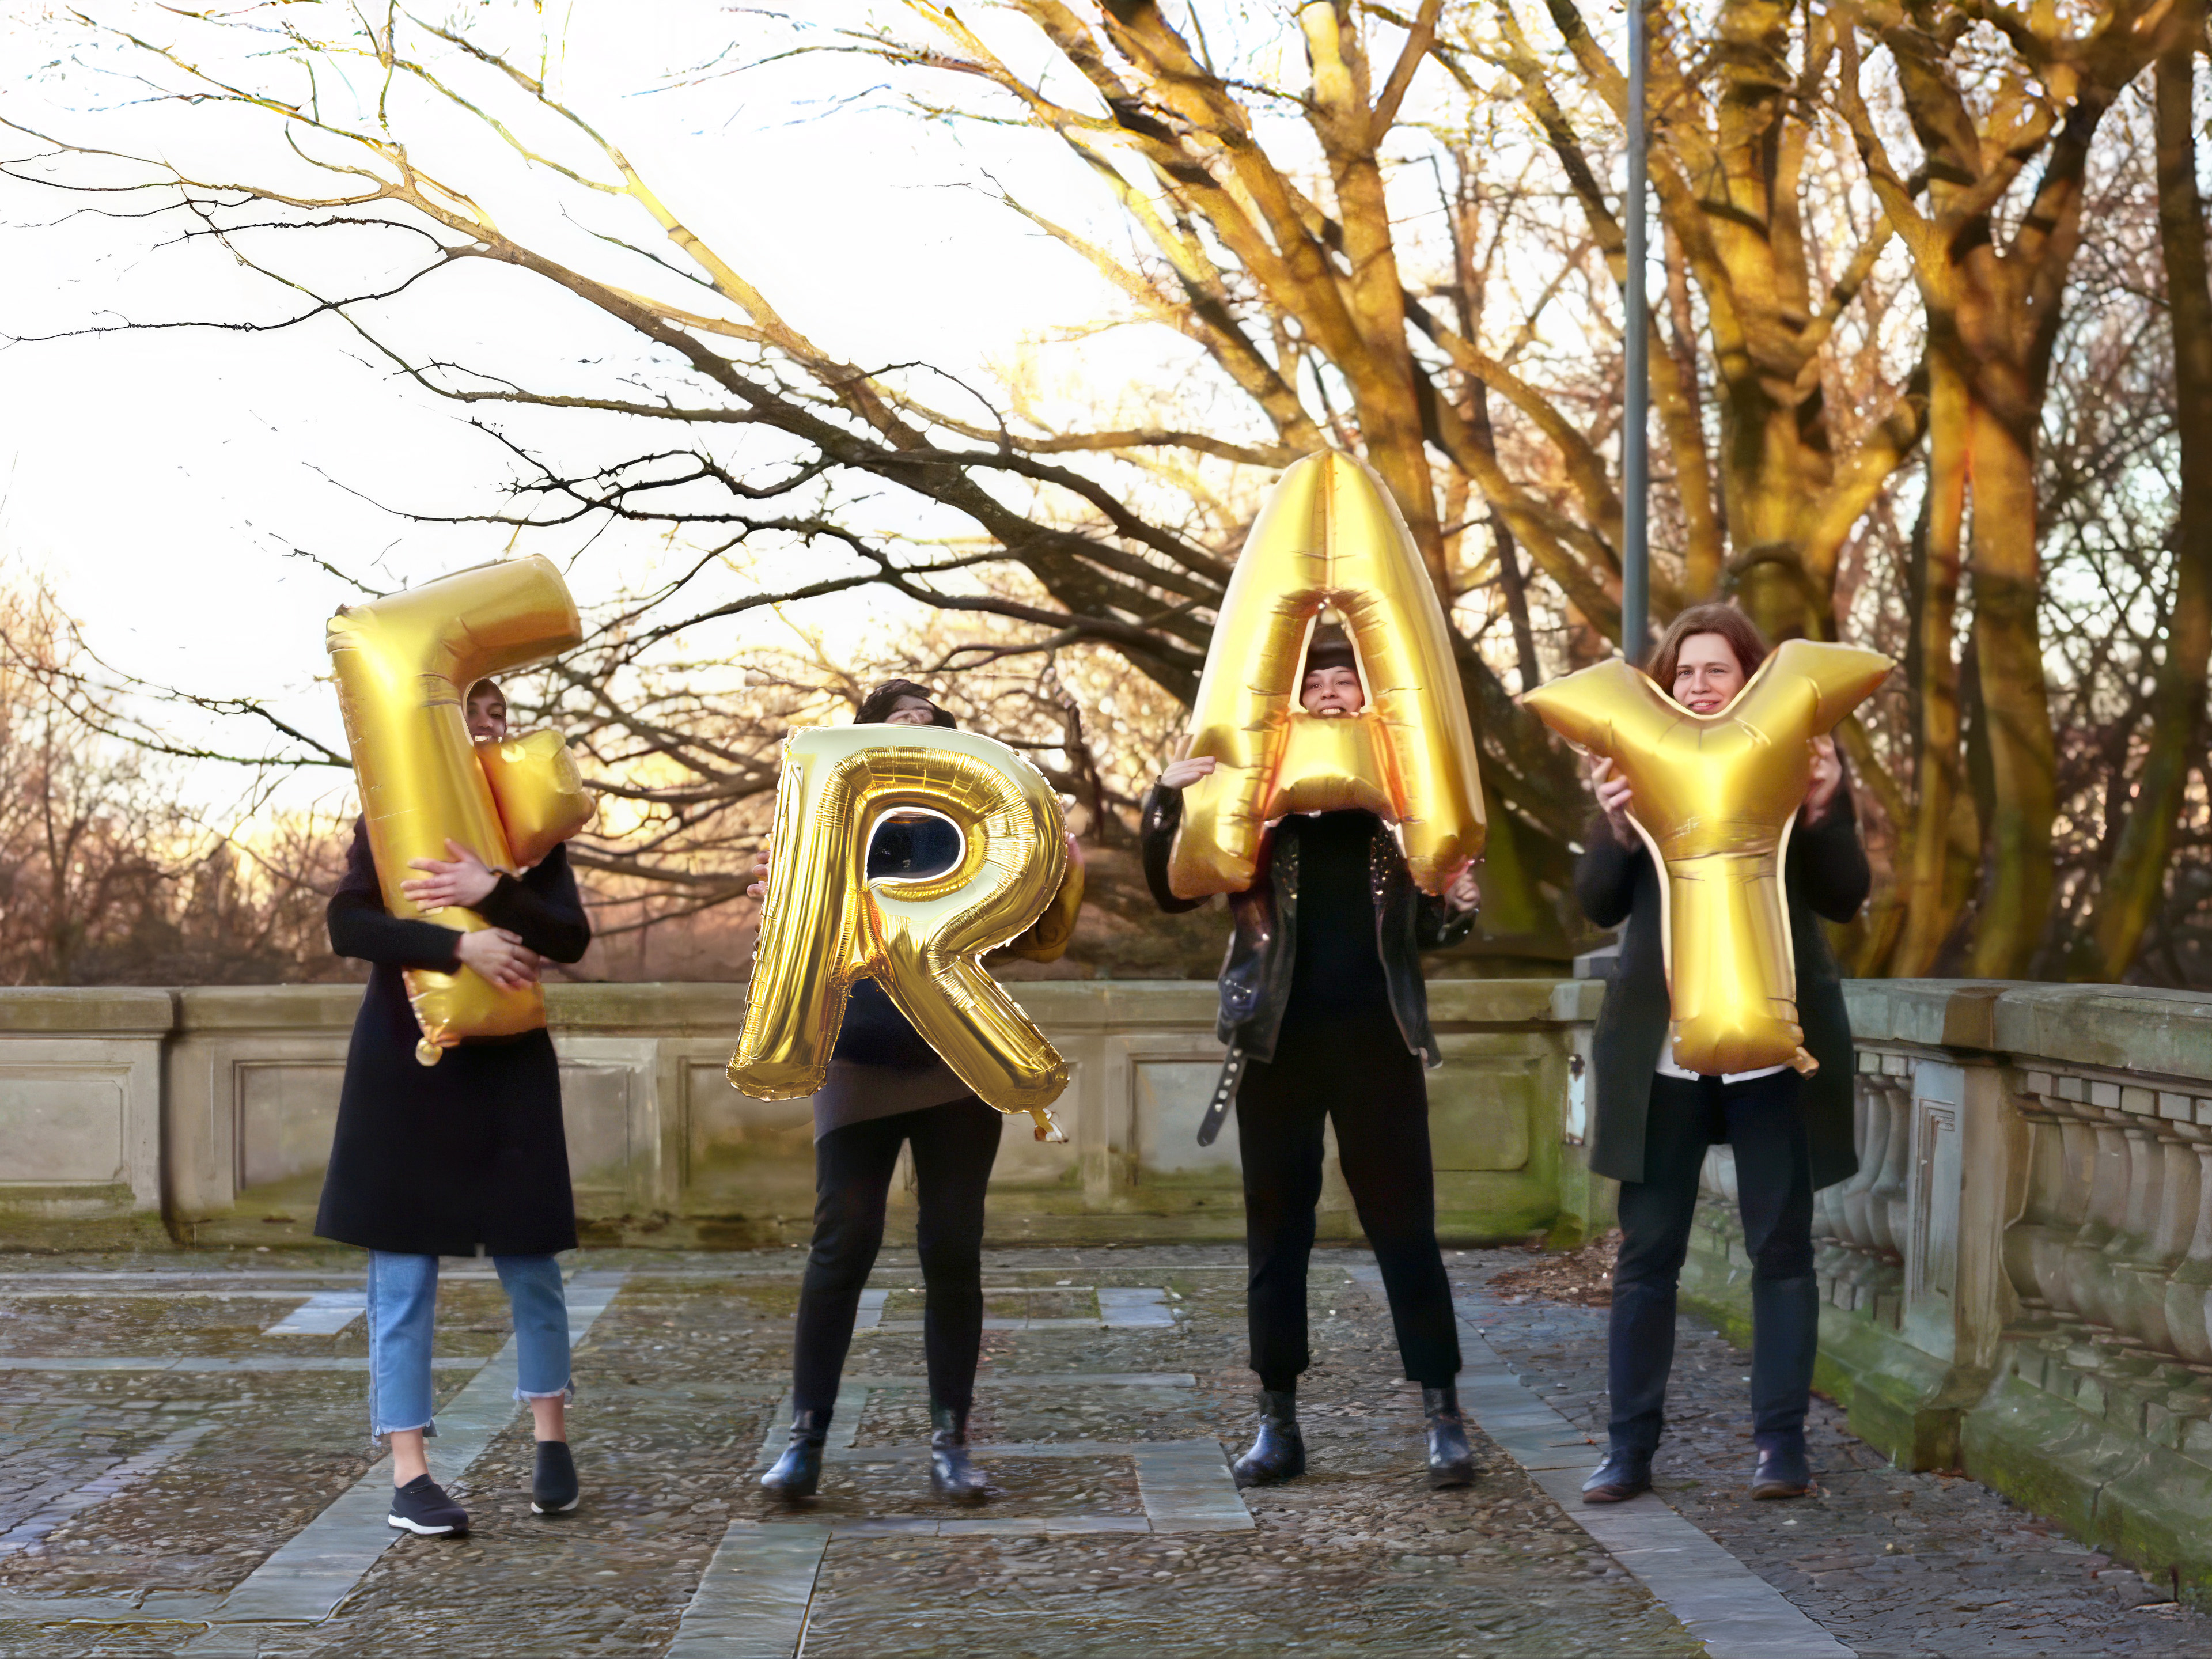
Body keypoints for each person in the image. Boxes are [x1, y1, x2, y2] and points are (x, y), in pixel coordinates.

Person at [1140, 628, 1484, 1490]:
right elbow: (1172, 891)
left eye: (1346, 683)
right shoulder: (1256, 814)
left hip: (1378, 1041)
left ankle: (1443, 1415)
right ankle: (1277, 1420)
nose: (1332, 696)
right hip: (1276, 1045)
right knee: (1276, 1234)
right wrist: (1163, 804)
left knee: (1406, 1231)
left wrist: (1463, 903)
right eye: (1317, 684)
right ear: (1291, 704)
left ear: (1372, 701)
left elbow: (1431, 930)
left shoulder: (1402, 808)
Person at [752, 679, 1085, 1503]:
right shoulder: (834, 827)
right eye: (900, 720)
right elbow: (795, 935)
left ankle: (951, 1441)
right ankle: (805, 1442)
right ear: (866, 741)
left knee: (950, 1246)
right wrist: (776, 905)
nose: (918, 729)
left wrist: (1062, 869)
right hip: (859, 1054)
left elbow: (1039, 945)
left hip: (959, 1058)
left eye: (932, 722)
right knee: (844, 1240)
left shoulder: (980, 829)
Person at [1575, 603, 1870, 1506]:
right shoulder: (1635, 770)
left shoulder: (1796, 764)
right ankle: (1629, 1450)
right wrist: (1617, 828)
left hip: (1775, 1053)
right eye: (1684, 672)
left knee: (1781, 1252)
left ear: (1752, 682)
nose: (1699, 686)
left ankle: (1781, 1447)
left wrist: (1822, 809)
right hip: (1662, 1058)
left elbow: (1846, 897)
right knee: (1647, 1255)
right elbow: (1596, 906)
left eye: (1718, 670)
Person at [316, 677, 593, 1537]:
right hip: (409, 1065)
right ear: (436, 723)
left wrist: (495, 887)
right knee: (403, 1276)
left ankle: (551, 1442)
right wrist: (458, 944)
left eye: (497, 711)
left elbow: (571, 937)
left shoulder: (531, 826)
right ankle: (410, 1475)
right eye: (470, 710)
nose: (486, 723)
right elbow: (348, 924)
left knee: (532, 1262)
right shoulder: (391, 808)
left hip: (510, 1066)